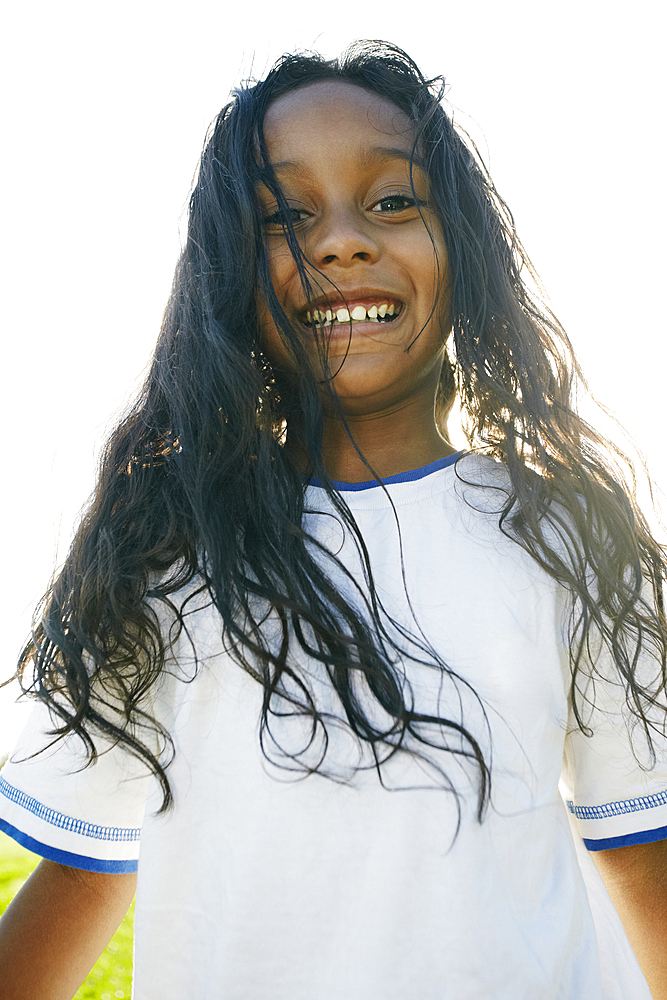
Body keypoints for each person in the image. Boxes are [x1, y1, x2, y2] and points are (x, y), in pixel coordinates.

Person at [1, 40, 666, 1000]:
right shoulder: (170, 547)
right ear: (230, 273)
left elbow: (641, 850)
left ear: (464, 249)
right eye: (285, 216)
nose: (340, 241)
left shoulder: (569, 539)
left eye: (391, 201)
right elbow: (81, 864)